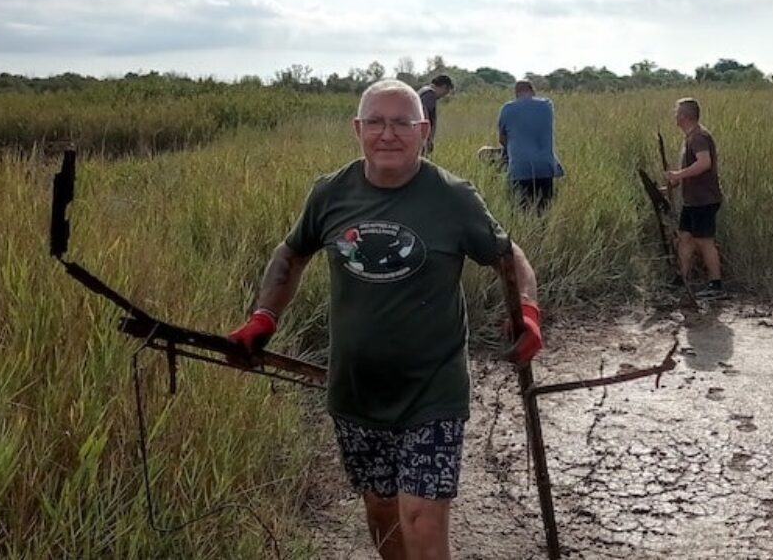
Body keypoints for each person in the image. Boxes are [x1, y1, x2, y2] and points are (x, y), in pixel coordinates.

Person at [228, 79, 543, 560]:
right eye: (376, 122)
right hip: (357, 391)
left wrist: (526, 311)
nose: (388, 134)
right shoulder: (330, 193)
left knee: (421, 516)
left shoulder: (453, 198)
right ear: (357, 128)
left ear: (424, 130)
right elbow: (290, 256)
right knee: (381, 508)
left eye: (402, 123)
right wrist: (262, 319)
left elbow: (508, 258)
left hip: (433, 391)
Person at [665, 97, 725, 299]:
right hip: (693, 200)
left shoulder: (698, 137)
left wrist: (678, 175)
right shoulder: (691, 138)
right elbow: (693, 168)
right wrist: (673, 183)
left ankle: (716, 284)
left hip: (704, 199)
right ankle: (682, 278)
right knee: (685, 238)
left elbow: (704, 163)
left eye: (677, 112)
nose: (675, 116)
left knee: (704, 241)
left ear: (684, 116)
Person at [497, 80, 564, 213]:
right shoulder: (547, 106)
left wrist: (509, 150)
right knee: (543, 212)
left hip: (519, 170)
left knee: (520, 212)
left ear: (516, 93)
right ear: (533, 91)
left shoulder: (507, 108)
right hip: (545, 168)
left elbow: (502, 138)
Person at [417, 74, 454, 155]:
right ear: (444, 86)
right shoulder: (430, 94)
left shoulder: (423, 91)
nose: (444, 95)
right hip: (421, 137)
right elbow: (425, 114)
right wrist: (427, 138)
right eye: (446, 92)